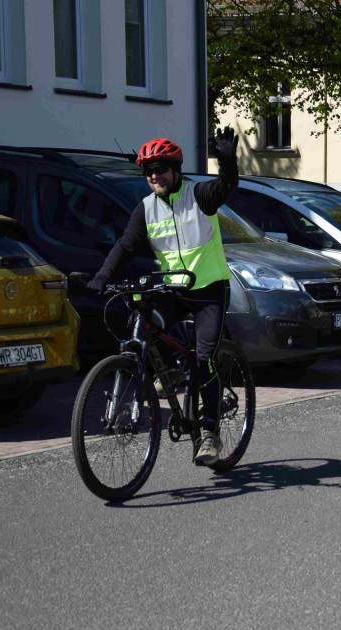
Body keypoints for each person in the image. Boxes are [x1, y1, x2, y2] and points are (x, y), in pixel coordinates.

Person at [86, 128, 239, 467]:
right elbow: (126, 246)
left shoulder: (198, 196)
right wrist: (101, 277)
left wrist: (226, 159)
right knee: (140, 322)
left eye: (162, 168)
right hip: (173, 290)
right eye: (150, 171)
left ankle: (210, 432)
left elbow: (227, 185)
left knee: (203, 360)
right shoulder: (146, 209)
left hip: (209, 291)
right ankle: (164, 375)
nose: (156, 175)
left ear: (175, 170)